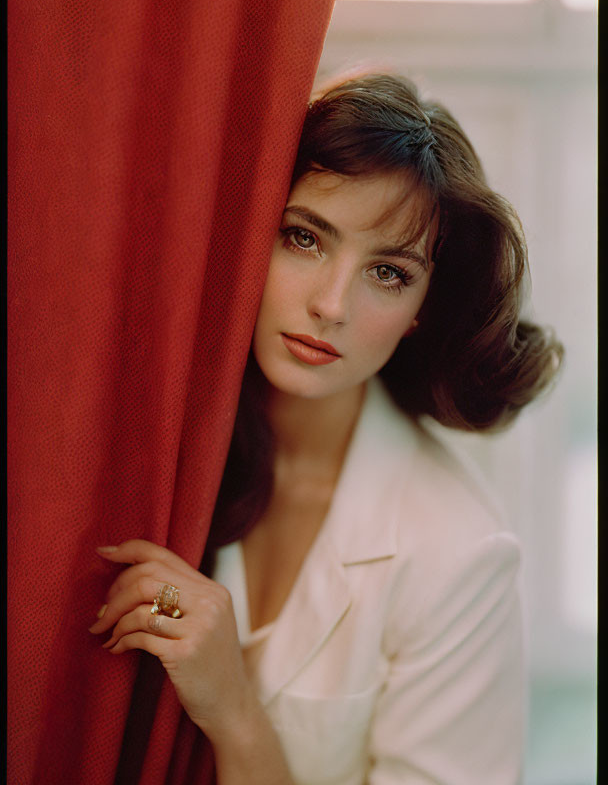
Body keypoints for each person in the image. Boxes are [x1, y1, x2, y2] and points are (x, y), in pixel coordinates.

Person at [89, 72, 563, 784]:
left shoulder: (459, 553)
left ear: (423, 310)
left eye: (389, 273)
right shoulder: (151, 440)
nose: (332, 304)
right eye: (304, 238)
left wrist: (238, 714)